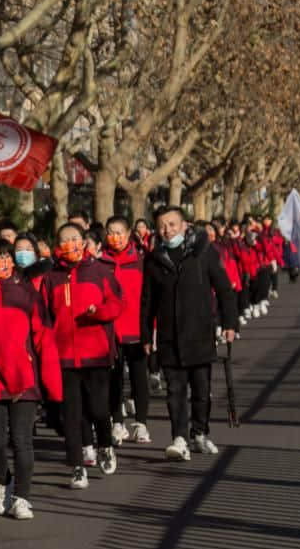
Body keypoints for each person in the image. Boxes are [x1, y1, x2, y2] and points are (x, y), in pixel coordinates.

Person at [0, 238, 59, 520]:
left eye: (4, 255)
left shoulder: (27, 294)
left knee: (22, 440)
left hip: (24, 377)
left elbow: (43, 337)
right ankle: (4, 480)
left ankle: (23, 497)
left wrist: (51, 383)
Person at [141, 206, 240, 461]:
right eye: (163, 225)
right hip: (168, 336)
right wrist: (145, 336)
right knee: (175, 390)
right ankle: (179, 438)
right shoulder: (153, 260)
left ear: (184, 225)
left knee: (201, 390)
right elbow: (147, 301)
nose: (167, 230)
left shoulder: (203, 253)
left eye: (173, 224)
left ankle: (200, 433)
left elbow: (225, 290)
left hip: (199, 334)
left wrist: (230, 324)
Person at [40, 224, 123, 490]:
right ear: (58, 245)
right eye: (65, 240)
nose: (71, 244)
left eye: (75, 239)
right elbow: (44, 317)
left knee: (99, 408)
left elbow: (117, 304)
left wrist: (98, 312)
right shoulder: (51, 278)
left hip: (96, 354)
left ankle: (106, 445)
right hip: (64, 358)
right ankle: (76, 466)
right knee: (72, 415)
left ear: (84, 242)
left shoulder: (100, 271)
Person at [102, 217, 151, 445]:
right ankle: (118, 422)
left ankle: (141, 423)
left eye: (120, 232)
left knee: (140, 377)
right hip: (111, 330)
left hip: (136, 329)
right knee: (114, 378)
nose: (116, 237)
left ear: (129, 233)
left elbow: (149, 297)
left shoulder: (141, 260)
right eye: (111, 232)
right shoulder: (101, 262)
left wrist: (151, 328)